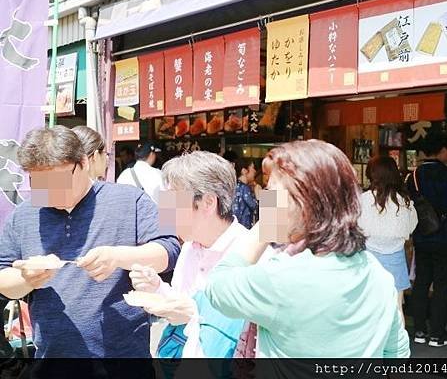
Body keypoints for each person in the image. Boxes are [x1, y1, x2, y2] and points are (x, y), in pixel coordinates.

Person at [205, 139, 410, 357]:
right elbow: (396, 353)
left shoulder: (282, 278)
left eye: (273, 192)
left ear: (303, 203)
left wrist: (266, 224)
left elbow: (217, 287)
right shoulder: (377, 275)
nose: (268, 201)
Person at [0, 126, 180, 358]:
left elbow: (169, 249)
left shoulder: (128, 200)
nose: (50, 191)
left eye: (58, 180)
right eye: (39, 182)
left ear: (84, 162)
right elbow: (4, 276)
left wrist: (118, 257)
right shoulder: (24, 214)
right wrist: (27, 279)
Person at [128, 151, 248, 359]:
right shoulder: (190, 248)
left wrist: (194, 314)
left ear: (208, 203)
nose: (164, 209)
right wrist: (156, 287)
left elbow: (249, 330)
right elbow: (179, 302)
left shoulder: (248, 253)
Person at [406, 132, 447, 347]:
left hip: (421, 236)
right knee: (441, 285)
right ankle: (437, 334)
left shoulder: (413, 176)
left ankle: (419, 330)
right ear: (442, 150)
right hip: (445, 238)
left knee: (421, 283)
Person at [358, 156, 418, 313]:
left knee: (369, 309)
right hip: (396, 258)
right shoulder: (404, 202)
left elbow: (356, 227)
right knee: (396, 310)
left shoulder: (363, 200)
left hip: (369, 258)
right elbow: (411, 227)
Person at [232, 158, 259, 229]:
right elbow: (255, 206)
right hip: (244, 229)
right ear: (244, 171)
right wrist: (258, 196)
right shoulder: (244, 188)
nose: (255, 171)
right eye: (253, 168)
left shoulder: (233, 186)